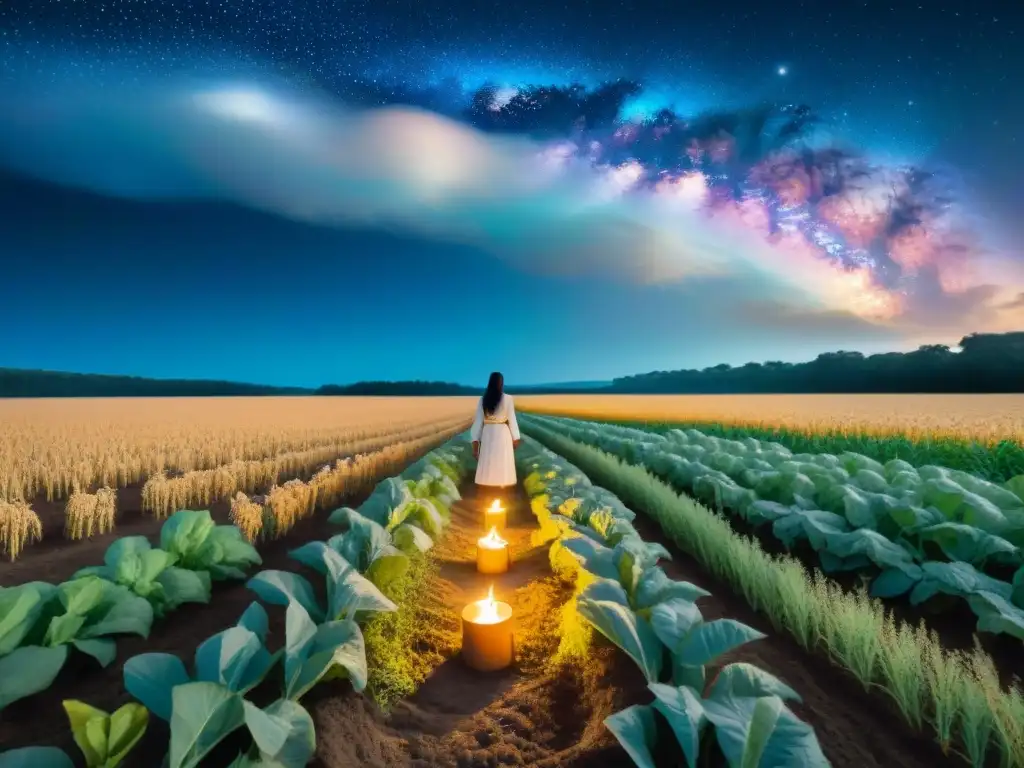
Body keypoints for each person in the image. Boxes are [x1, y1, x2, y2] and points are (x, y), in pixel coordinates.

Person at [471, 371, 521, 488]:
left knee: (489, 462)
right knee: (502, 462)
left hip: (488, 433)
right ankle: (502, 488)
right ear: (501, 383)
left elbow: (478, 423)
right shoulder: (508, 399)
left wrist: (475, 445)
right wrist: (515, 438)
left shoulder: (483, 400)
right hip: (503, 433)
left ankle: (488, 488)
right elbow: (512, 420)